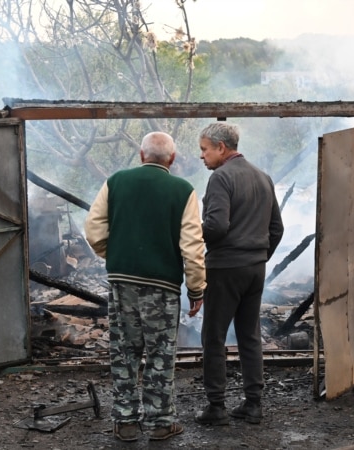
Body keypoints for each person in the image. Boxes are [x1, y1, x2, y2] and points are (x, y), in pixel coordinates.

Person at [84, 131, 206, 441]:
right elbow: (192, 246)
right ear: (173, 159)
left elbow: (94, 229)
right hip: (162, 287)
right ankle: (160, 423)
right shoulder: (183, 190)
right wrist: (196, 289)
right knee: (160, 354)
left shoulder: (116, 181)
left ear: (141, 155)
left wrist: (115, 257)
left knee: (124, 352)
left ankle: (125, 422)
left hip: (121, 284)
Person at [194, 122, 284, 425]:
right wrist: (259, 256)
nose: (202, 157)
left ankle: (216, 407)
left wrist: (194, 235)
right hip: (255, 269)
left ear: (221, 148)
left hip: (225, 269)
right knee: (249, 335)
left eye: (204, 150)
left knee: (214, 337)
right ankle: (253, 404)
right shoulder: (263, 177)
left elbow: (217, 226)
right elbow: (277, 229)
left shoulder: (221, 178)